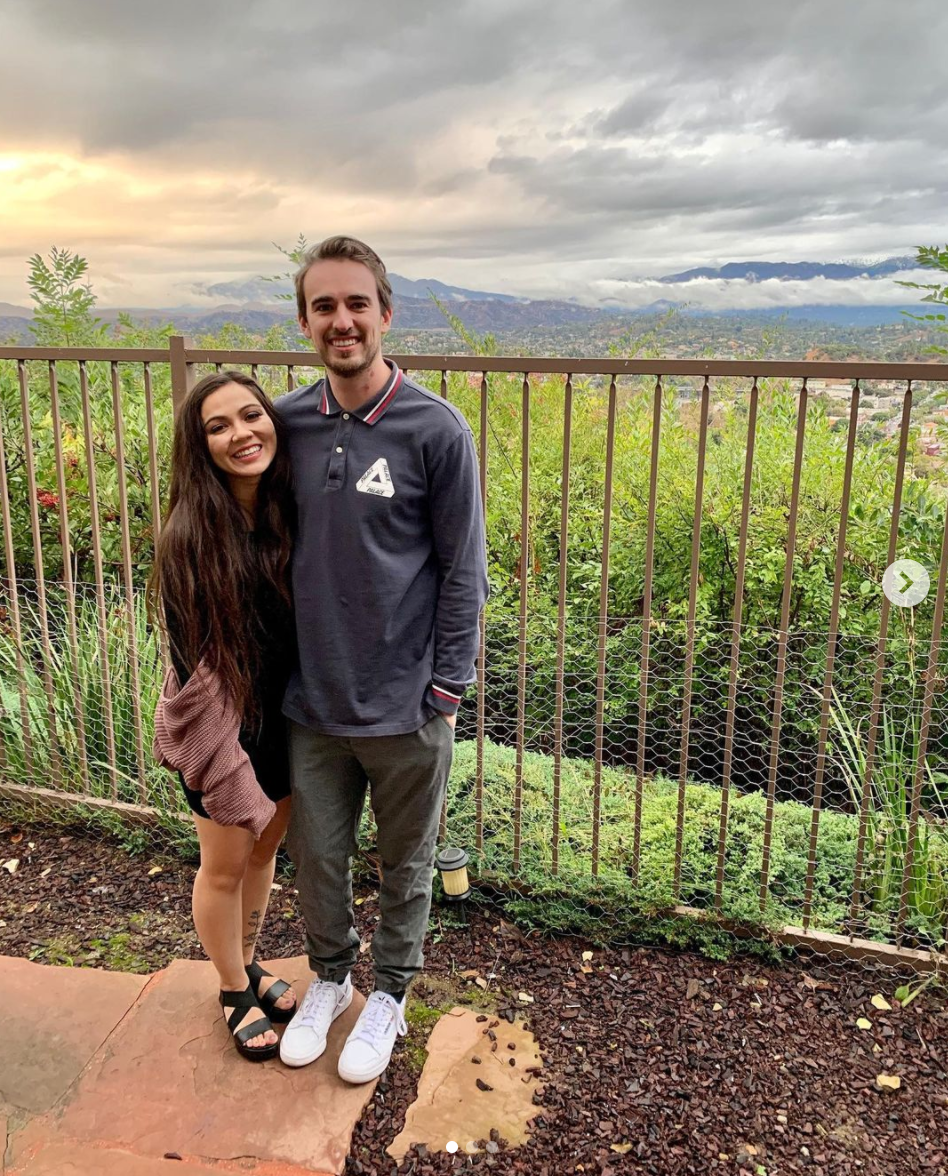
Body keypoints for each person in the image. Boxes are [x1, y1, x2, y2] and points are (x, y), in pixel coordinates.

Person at [276, 236, 488, 1083]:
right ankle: (330, 980)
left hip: (408, 704)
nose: (342, 320)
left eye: (356, 303)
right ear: (304, 321)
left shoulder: (435, 429)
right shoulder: (286, 425)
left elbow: (464, 569)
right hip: (311, 701)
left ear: (385, 314)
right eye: (323, 305)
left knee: (406, 864)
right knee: (318, 860)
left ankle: (391, 995)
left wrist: (447, 687)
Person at [149, 371, 298, 1062]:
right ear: (200, 445)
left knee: (264, 853)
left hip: (288, 723)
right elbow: (198, 675)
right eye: (218, 426)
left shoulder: (287, 513)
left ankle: (248, 959)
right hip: (223, 733)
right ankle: (232, 988)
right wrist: (228, 762)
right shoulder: (190, 536)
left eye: (250, 415)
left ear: (271, 421)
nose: (241, 433)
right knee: (223, 868)